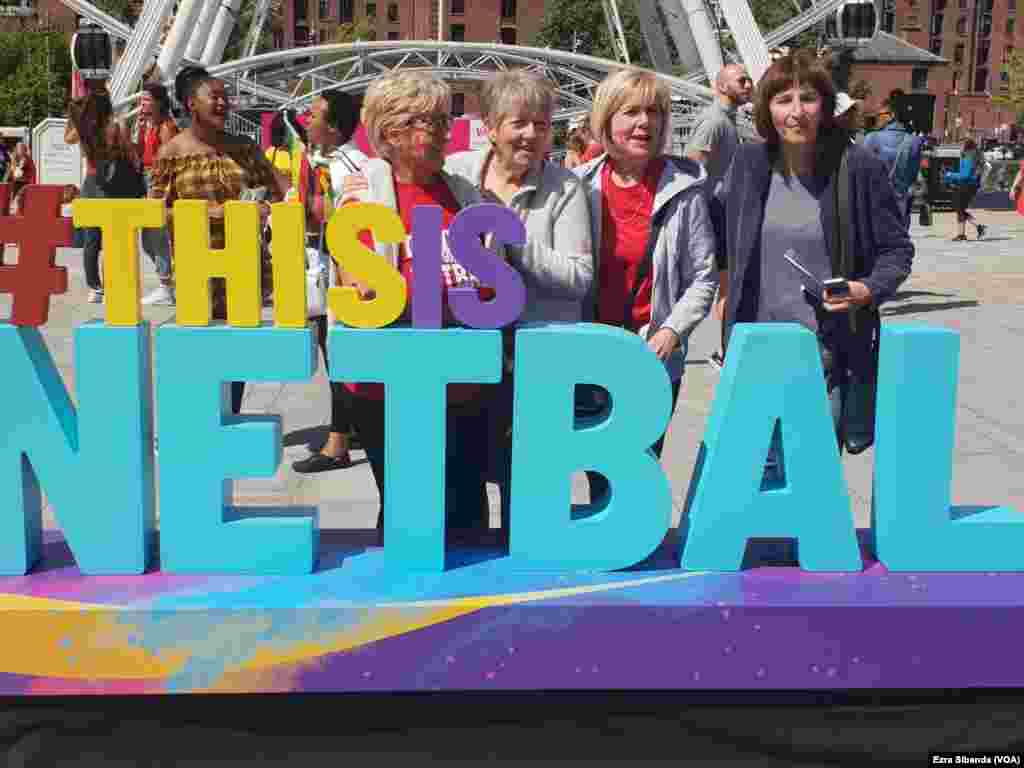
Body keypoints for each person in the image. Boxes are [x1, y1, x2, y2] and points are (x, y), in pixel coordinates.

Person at [714, 51, 913, 475]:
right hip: (756, 350)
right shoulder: (750, 164)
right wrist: (726, 288)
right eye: (784, 100)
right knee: (754, 477)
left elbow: (897, 251)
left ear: (825, 105)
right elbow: (722, 234)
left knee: (810, 476)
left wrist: (866, 290)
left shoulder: (857, 166)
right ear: (767, 108)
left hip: (826, 354)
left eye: (808, 99)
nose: (797, 111)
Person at [337, 71, 492, 540]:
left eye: (445, 120)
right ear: (390, 132)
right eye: (431, 122)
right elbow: (365, 294)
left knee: (466, 508)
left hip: (460, 384)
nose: (445, 132)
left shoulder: (463, 194)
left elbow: (490, 285)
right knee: (408, 515)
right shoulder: (362, 199)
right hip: (388, 388)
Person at [444, 69, 594, 533]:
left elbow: (579, 277)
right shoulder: (457, 174)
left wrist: (516, 241)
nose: (532, 135)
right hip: (467, 352)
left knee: (524, 485)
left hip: (534, 359)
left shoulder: (566, 188)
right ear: (490, 126)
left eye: (542, 124)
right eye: (519, 123)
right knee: (462, 476)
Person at [575, 67, 718, 502]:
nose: (644, 123)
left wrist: (672, 332)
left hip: (652, 353)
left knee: (638, 463)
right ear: (606, 120)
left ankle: (628, 552)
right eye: (630, 112)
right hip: (587, 354)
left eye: (654, 112)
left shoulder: (686, 188)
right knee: (592, 464)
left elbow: (703, 276)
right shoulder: (577, 186)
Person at [149, 66, 287, 414]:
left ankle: (230, 421)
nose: (225, 103)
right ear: (191, 103)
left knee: (236, 356)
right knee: (196, 354)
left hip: (244, 268)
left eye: (227, 96)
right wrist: (212, 214)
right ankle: (195, 424)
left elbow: (282, 193)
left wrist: (267, 207)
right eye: (216, 97)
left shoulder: (245, 148)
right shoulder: (172, 153)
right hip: (198, 271)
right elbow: (154, 213)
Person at [291, 91, 369, 475]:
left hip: (342, 271)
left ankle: (338, 441)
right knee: (332, 350)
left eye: (314, 115)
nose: (307, 119)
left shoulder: (348, 166)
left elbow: (337, 221)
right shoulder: (330, 160)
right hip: (327, 266)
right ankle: (347, 426)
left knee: (340, 354)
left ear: (334, 128)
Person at [684, 63, 753, 371]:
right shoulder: (714, 121)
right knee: (726, 286)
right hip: (715, 213)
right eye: (742, 80)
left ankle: (726, 349)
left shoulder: (729, 120)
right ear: (722, 86)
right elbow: (691, 167)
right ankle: (726, 352)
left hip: (723, 210)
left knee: (727, 285)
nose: (749, 84)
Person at [65, 91, 131, 303]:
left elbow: (69, 139)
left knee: (95, 240)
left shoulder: (96, 126)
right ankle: (103, 285)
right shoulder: (111, 125)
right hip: (103, 185)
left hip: (97, 184)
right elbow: (128, 153)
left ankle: (98, 287)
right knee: (103, 239)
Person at [135, 82, 179, 306]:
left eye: (146, 99)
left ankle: (165, 286)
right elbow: (141, 155)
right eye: (141, 99)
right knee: (147, 240)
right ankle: (169, 283)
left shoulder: (166, 127)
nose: (141, 103)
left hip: (159, 182)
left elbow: (173, 160)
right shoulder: (150, 125)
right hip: (148, 179)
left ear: (158, 102)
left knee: (156, 236)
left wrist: (161, 191)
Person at [863, 89, 923, 230]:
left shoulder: (872, 139)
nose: (877, 117)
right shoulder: (914, 142)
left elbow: (861, 175)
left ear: (892, 115)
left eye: (880, 114)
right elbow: (912, 177)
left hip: (874, 207)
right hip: (900, 207)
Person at [944, 138, 987, 241]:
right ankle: (974, 228)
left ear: (966, 146)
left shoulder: (968, 157)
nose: (959, 147)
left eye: (961, 144)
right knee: (960, 208)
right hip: (971, 186)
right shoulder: (974, 155)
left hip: (966, 185)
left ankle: (963, 234)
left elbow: (965, 175)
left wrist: (950, 175)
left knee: (958, 208)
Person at [5, 142, 36, 215]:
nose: (19, 150)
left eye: (21, 148)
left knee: (21, 198)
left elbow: (19, 172)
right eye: (18, 148)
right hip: (16, 182)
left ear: (24, 149)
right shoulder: (15, 157)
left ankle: (20, 212)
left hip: (24, 182)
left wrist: (15, 165)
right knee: (14, 197)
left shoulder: (26, 158)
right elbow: (12, 170)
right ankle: (15, 212)